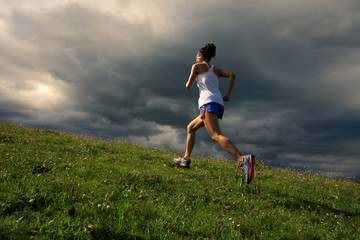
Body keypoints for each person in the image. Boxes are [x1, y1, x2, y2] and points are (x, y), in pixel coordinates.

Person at [173, 42, 255, 184]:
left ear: (201, 56)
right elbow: (232, 75)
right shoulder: (215, 70)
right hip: (217, 103)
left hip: (207, 102)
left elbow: (188, 86)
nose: (195, 57)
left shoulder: (197, 67)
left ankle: (242, 159)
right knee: (191, 128)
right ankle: (186, 159)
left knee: (215, 135)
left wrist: (192, 79)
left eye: (196, 55)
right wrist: (228, 94)